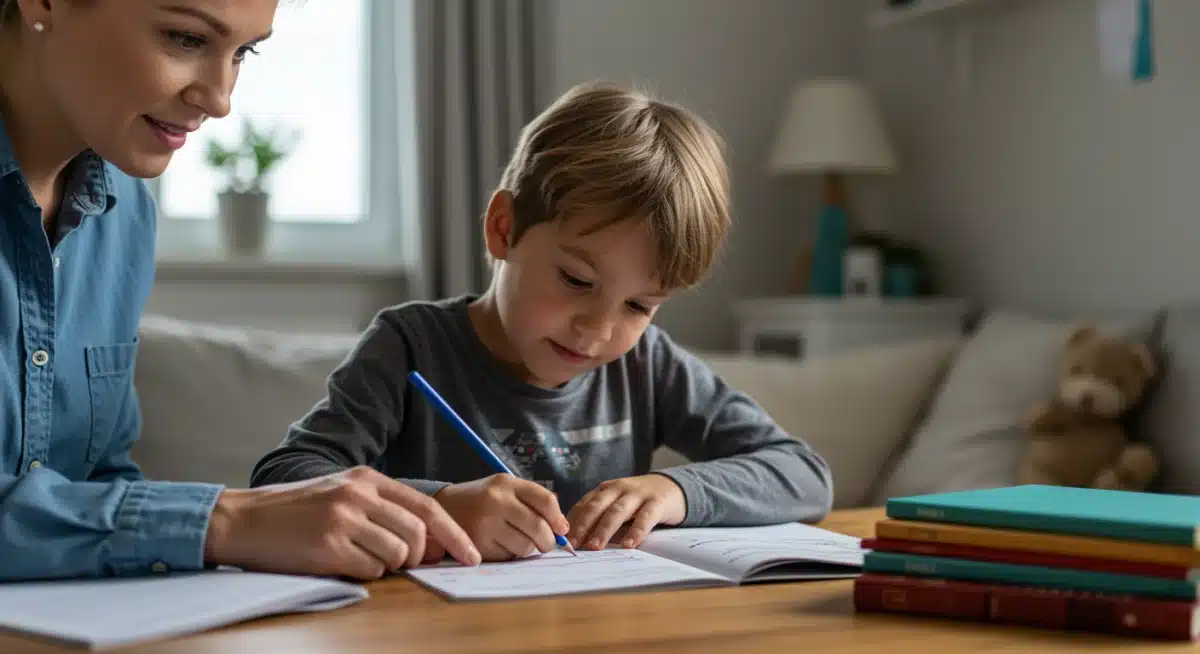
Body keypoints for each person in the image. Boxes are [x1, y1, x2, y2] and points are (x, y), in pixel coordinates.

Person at [250, 81, 835, 562]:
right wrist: (444, 504)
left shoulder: (645, 363)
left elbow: (803, 474)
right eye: (577, 281)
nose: (599, 330)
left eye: (639, 305)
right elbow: (283, 478)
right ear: (504, 229)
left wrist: (676, 490)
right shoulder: (410, 348)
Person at [0, 0, 480, 583]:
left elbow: (95, 481)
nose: (221, 99)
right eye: (184, 39)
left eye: (244, 52)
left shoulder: (123, 210)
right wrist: (224, 521)